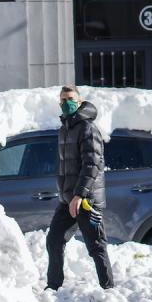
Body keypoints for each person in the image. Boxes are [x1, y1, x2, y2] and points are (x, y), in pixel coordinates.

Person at [46, 85, 114, 290]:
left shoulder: (87, 128)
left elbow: (92, 165)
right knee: (54, 240)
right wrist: (67, 194)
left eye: (70, 99)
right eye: (63, 99)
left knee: (96, 245)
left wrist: (79, 195)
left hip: (86, 198)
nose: (66, 102)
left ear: (79, 101)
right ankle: (53, 287)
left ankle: (108, 288)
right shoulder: (65, 129)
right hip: (68, 198)